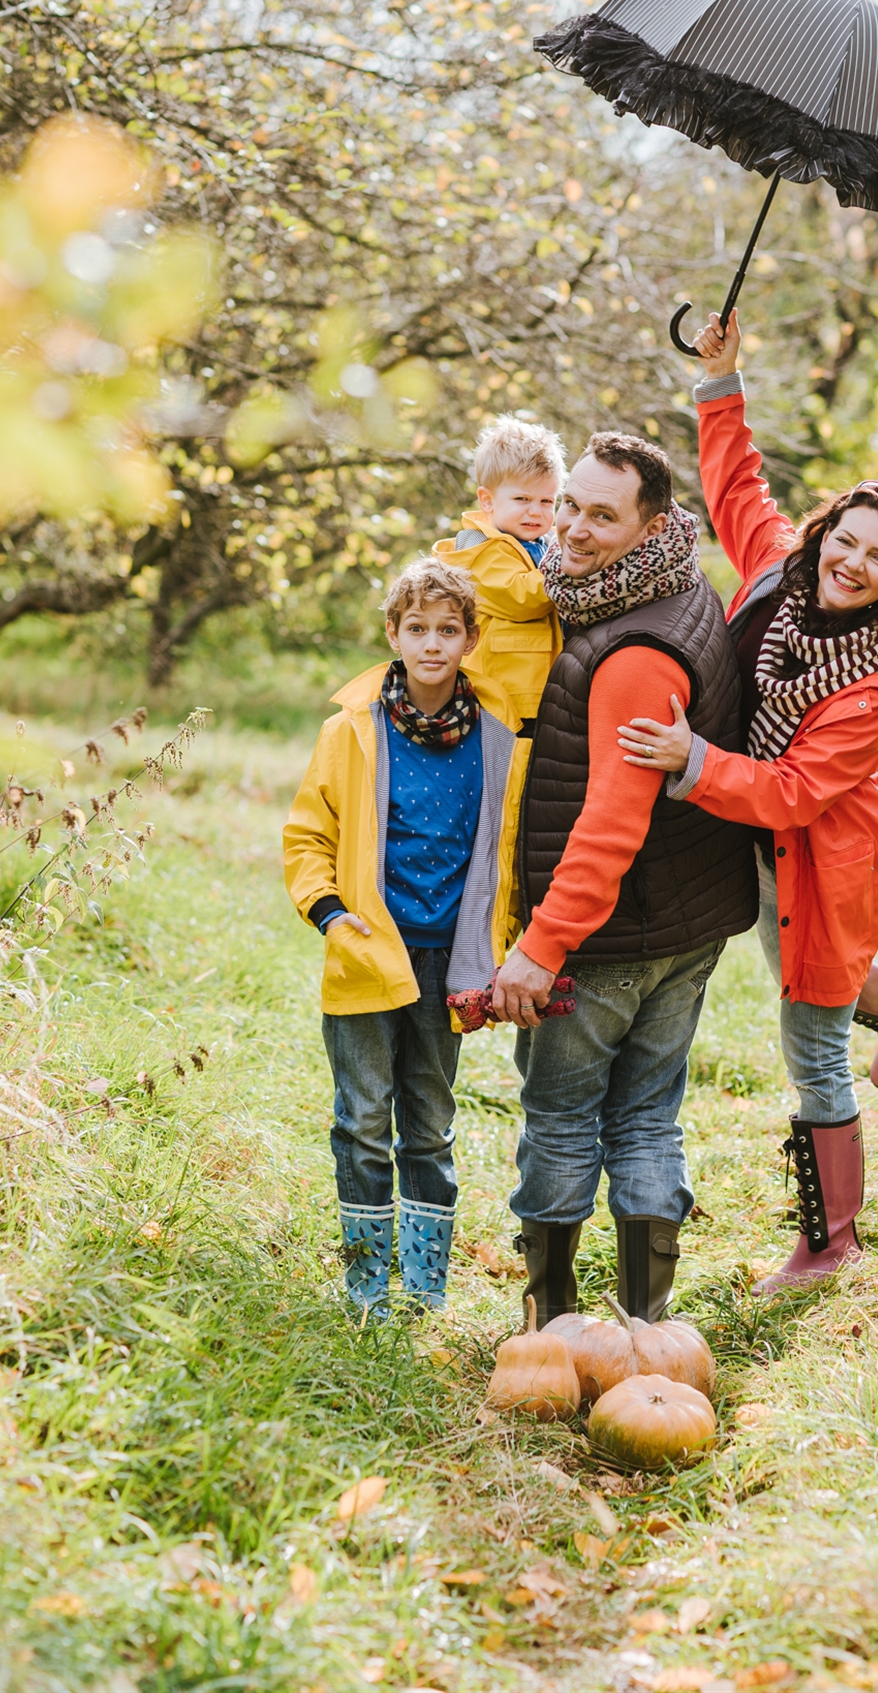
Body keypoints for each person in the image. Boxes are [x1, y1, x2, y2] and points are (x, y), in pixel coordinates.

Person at [617, 310, 878, 1290]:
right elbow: (734, 484)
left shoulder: (870, 684)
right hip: (755, 828)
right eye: (846, 542)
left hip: (823, 848)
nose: (851, 564)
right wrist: (719, 380)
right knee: (820, 972)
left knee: (810, 1032)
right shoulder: (778, 567)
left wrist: (689, 759)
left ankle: (830, 1243)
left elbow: (798, 792)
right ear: (827, 534)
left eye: (877, 561)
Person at [488, 432, 758, 1326]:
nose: (571, 527)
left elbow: (610, 825)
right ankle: (646, 1325)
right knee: (650, 1113)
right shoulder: (679, 586)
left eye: (602, 515)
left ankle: (553, 1328)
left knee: (568, 1121)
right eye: (570, 502)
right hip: (688, 917)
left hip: (611, 938)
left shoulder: (634, 654)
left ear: (651, 526)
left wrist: (541, 946)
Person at [283, 557, 528, 1316]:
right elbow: (306, 835)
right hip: (367, 951)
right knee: (361, 1117)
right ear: (393, 633)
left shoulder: (496, 737)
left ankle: (423, 1289)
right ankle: (365, 1287)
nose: (431, 644)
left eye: (447, 630)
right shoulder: (351, 732)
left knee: (428, 1122)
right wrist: (327, 909)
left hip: (448, 961)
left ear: (470, 639)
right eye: (416, 628)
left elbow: (506, 846)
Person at [433, 415, 566, 724]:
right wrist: (567, 560)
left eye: (548, 501)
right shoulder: (480, 550)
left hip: (537, 688)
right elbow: (523, 598)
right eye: (522, 499)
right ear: (488, 500)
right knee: (511, 766)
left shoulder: (538, 543)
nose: (537, 510)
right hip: (506, 692)